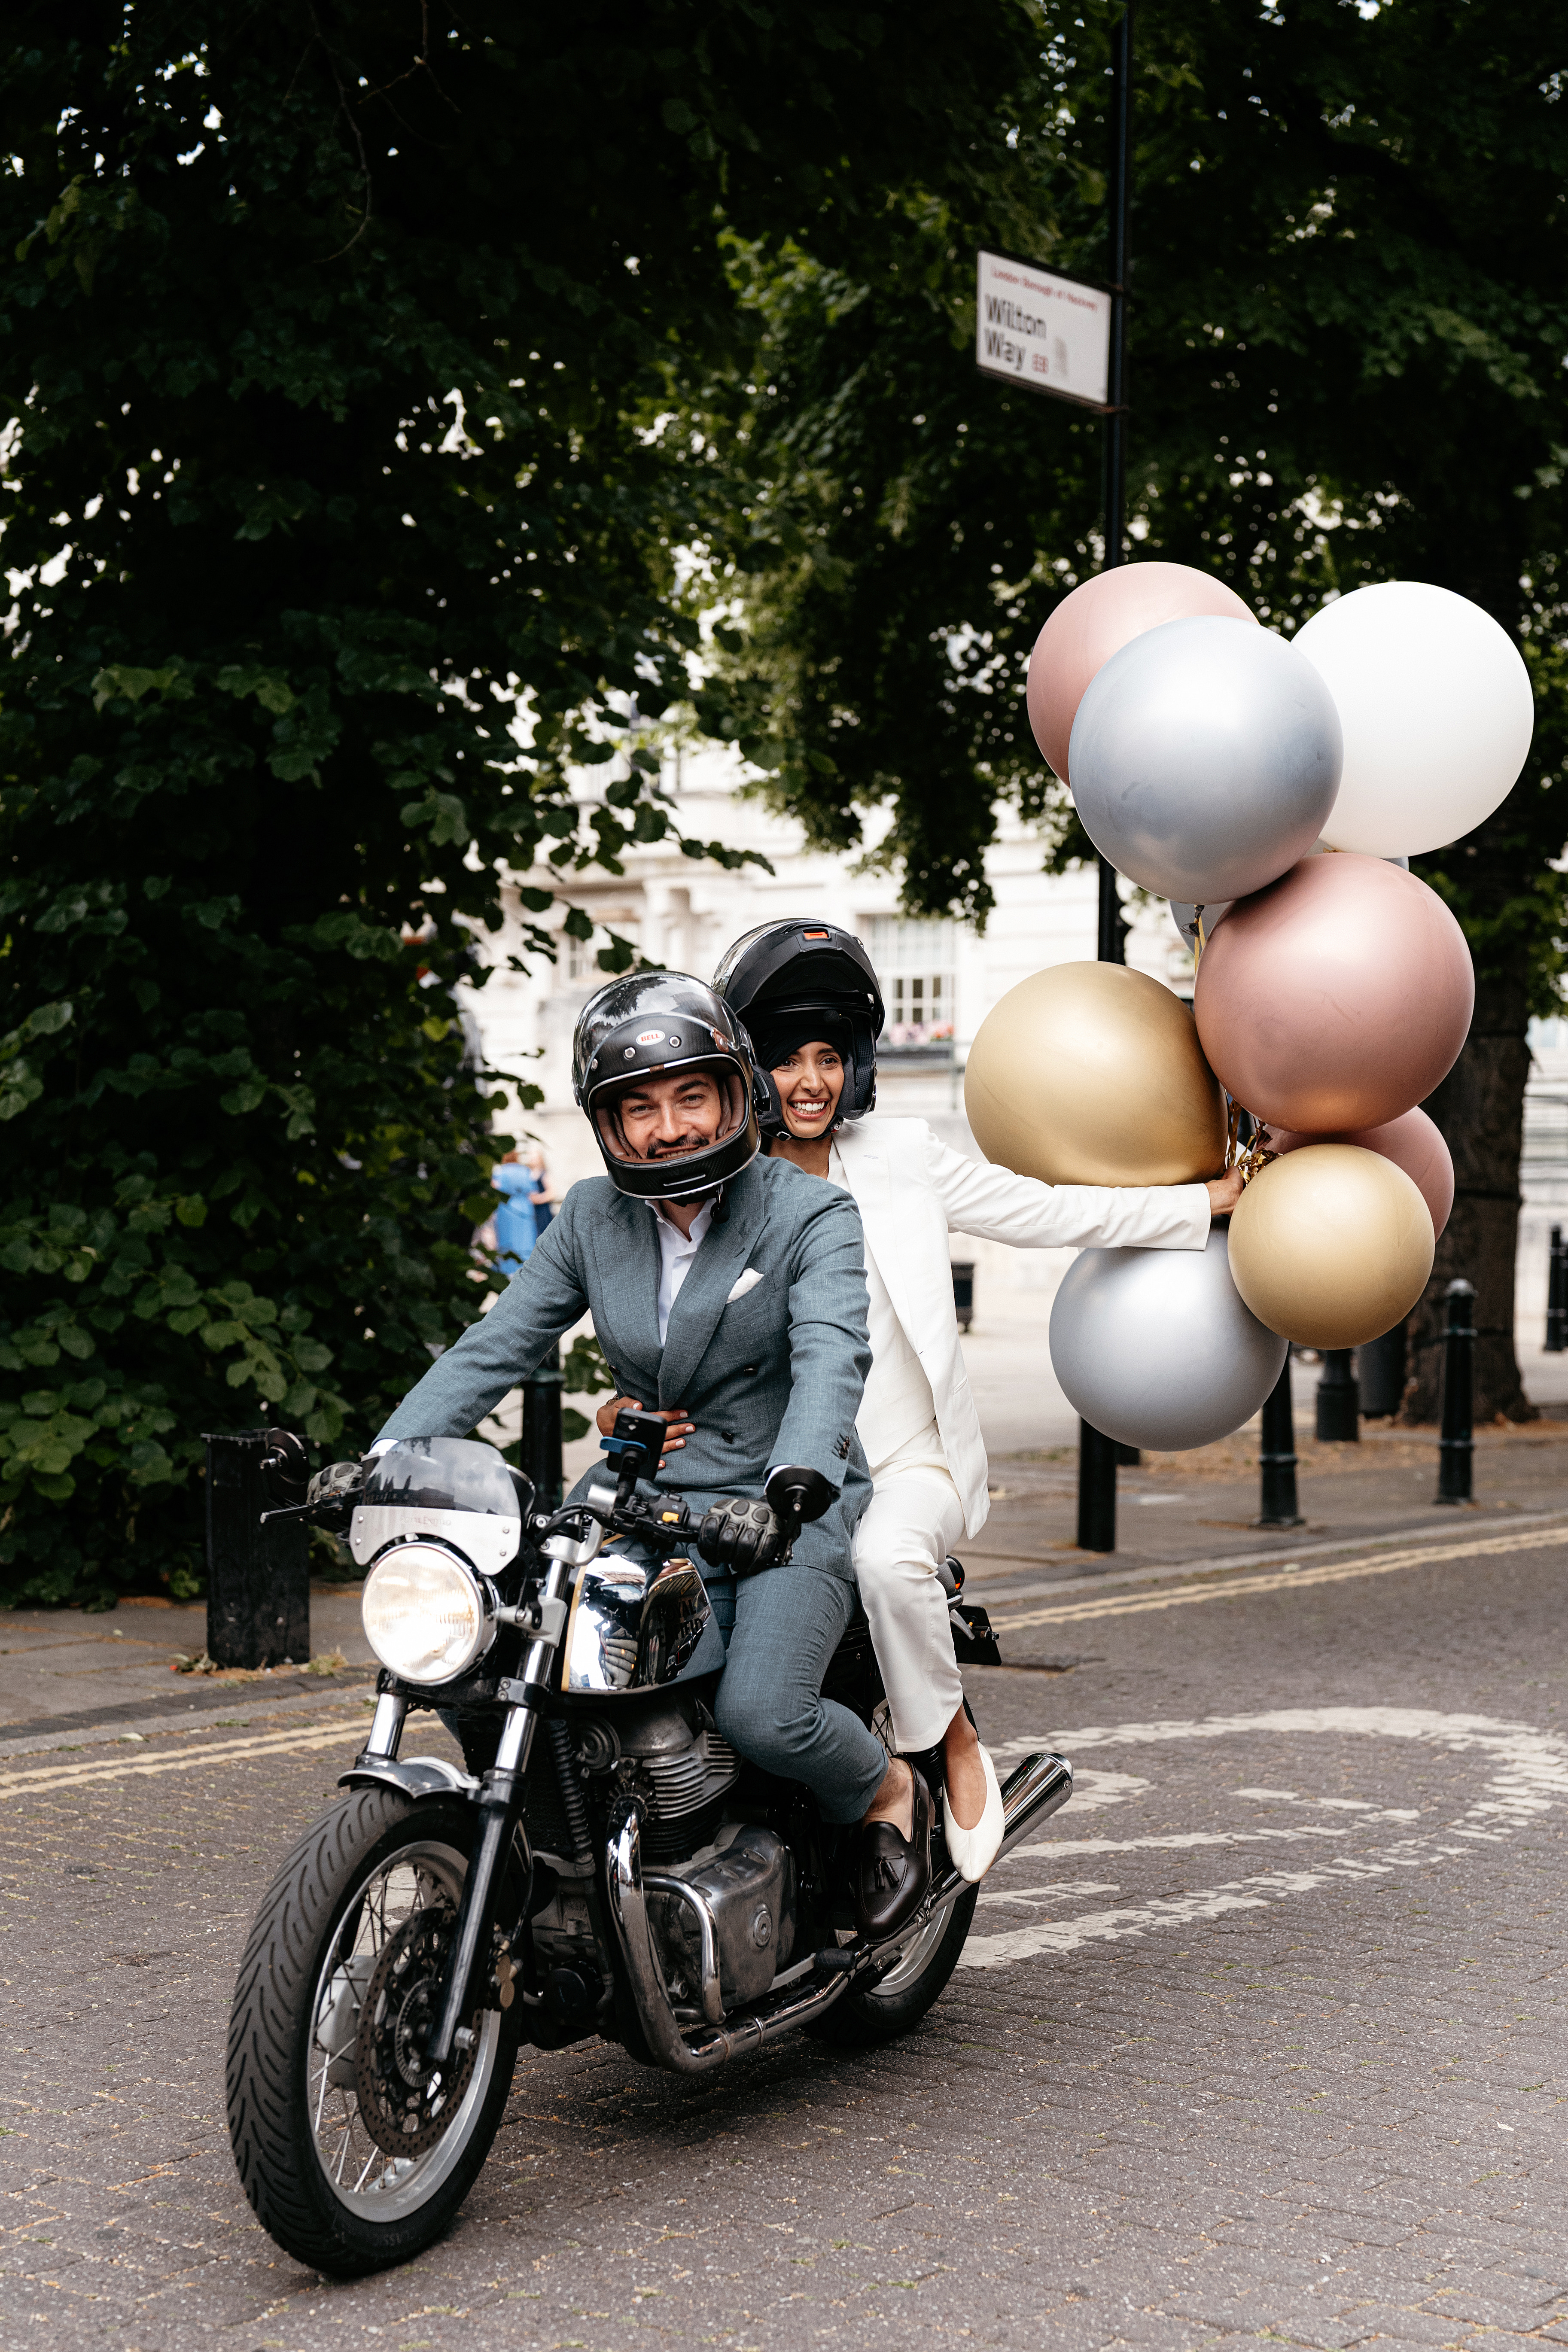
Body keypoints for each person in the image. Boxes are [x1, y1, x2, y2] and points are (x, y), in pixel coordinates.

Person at [373, 971, 937, 1940]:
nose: (667, 1127)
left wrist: (793, 1479)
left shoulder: (806, 1214)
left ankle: (886, 1790)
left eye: (689, 1096)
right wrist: (388, 1454)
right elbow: (498, 1343)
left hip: (779, 1510)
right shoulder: (593, 1217)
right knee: (495, 1662)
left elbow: (829, 1356)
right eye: (638, 1107)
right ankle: (569, 1852)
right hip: (638, 1499)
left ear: (733, 1093)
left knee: (763, 1711)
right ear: (608, 1123)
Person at [700, 919, 1244, 1888]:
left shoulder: (901, 1156)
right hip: (775, 1475)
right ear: (751, 1068)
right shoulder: (721, 1190)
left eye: (830, 1056)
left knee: (888, 1557)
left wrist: (1200, 1202)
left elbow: (1043, 1209)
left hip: (908, 1466)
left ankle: (948, 1737)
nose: (812, 1081)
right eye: (787, 1061)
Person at [490, 1149, 540, 1273]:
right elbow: (533, 1194)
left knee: (507, 1240)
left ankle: (507, 1270)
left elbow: (493, 1190)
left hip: (506, 1208)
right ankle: (526, 1269)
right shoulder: (525, 1171)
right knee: (526, 1239)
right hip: (524, 1209)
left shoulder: (500, 1172)